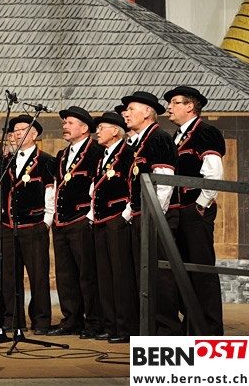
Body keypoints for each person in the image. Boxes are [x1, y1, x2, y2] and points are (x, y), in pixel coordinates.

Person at [165, 85, 225, 335]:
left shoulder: (205, 132)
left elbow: (213, 172)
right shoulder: (176, 136)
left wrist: (201, 204)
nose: (169, 107)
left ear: (190, 106)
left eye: (174, 102)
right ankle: (191, 324)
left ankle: (209, 328)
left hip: (194, 209)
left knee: (201, 270)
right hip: (179, 210)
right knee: (182, 270)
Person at [122, 90, 181, 335]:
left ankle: (167, 330)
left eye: (131, 109)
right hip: (140, 215)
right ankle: (149, 328)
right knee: (143, 275)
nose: (126, 114)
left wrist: (154, 215)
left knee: (160, 276)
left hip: (156, 217)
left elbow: (164, 182)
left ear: (147, 112)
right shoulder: (138, 143)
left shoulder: (159, 139)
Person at [0, 115, 54, 334]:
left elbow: (50, 192)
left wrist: (46, 221)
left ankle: (41, 320)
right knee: (8, 276)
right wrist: (0, 219)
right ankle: (12, 319)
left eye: (23, 129)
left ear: (34, 134)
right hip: (8, 226)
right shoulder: (6, 161)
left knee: (38, 276)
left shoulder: (46, 160)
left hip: (34, 225)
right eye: (15, 130)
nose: (18, 133)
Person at [48, 106, 103, 339]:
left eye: (70, 123)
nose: (65, 126)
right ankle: (71, 319)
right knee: (65, 274)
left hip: (81, 220)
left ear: (84, 128)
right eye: (64, 123)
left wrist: (89, 216)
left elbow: (97, 184)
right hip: (61, 221)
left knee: (87, 274)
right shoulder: (62, 154)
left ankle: (94, 321)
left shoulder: (96, 151)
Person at [89, 111, 138, 343]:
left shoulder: (128, 153)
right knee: (105, 276)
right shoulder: (102, 157)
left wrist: (124, 216)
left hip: (117, 220)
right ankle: (110, 326)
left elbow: (133, 186)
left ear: (115, 131)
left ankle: (125, 327)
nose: (97, 132)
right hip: (100, 220)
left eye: (102, 128)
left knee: (120, 276)